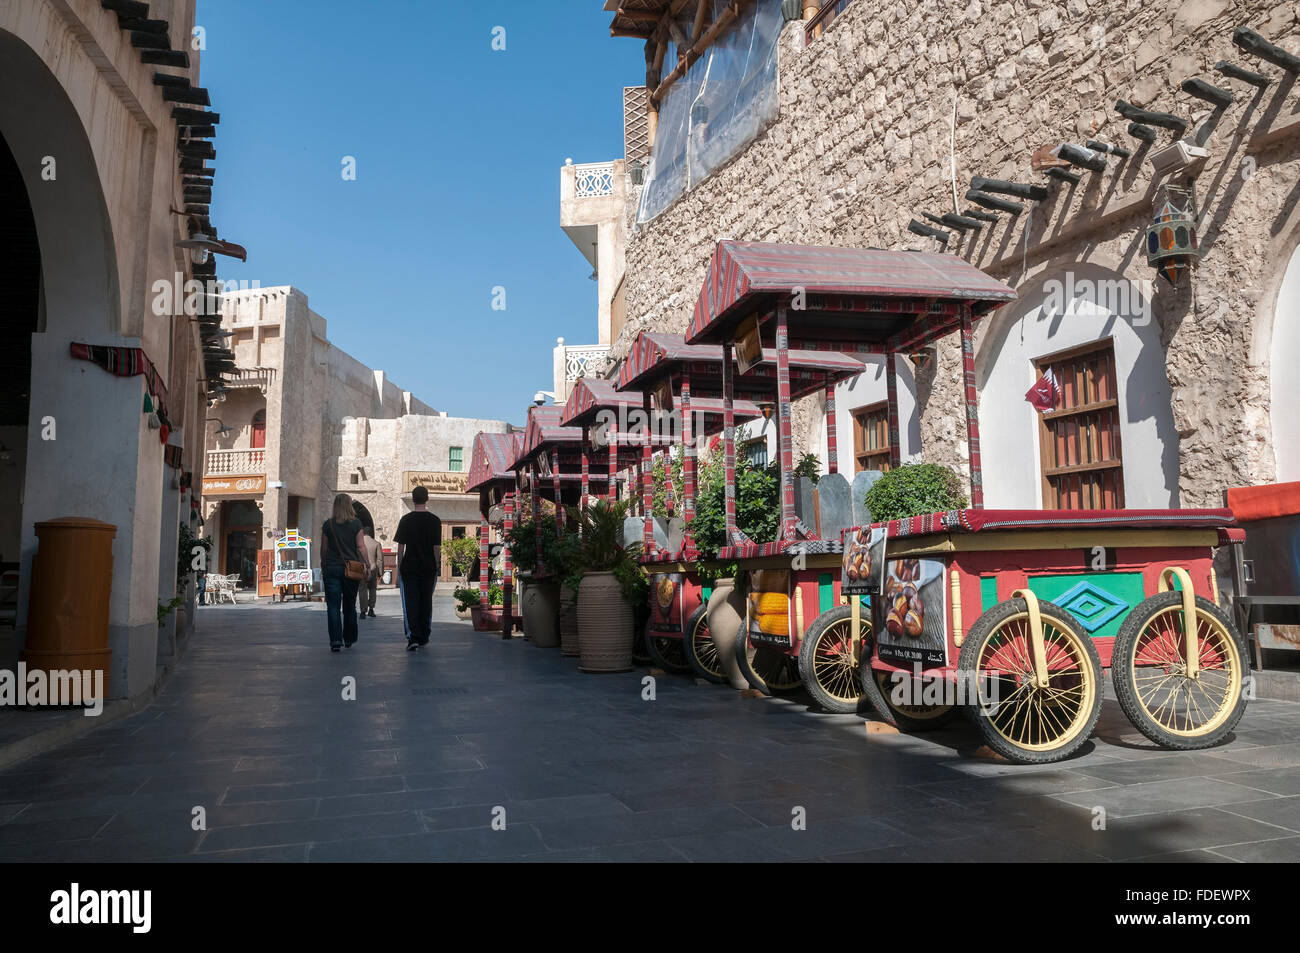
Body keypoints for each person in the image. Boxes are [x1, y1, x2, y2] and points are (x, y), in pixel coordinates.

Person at [320, 493, 371, 652]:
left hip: (332, 568)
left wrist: (323, 564)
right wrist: (368, 565)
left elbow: (324, 548)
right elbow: (361, 546)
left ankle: (335, 640)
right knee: (349, 605)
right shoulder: (356, 524)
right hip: (351, 569)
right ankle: (349, 638)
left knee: (333, 606)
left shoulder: (328, 525)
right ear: (349, 506)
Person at [394, 485, 441, 650]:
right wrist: (437, 564)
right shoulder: (435, 521)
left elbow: (400, 547)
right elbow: (436, 547)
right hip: (428, 567)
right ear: (427, 498)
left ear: (413, 500)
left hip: (410, 568)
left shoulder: (405, 520)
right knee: (426, 601)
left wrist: (399, 565)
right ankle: (424, 636)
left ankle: (413, 636)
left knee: (410, 602)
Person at [356, 526, 382, 619]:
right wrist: (380, 572)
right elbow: (379, 560)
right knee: (372, 589)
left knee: (362, 589)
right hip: (373, 568)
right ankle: (371, 609)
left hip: (362, 569)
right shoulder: (376, 544)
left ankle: (363, 611)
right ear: (371, 533)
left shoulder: (359, 543)